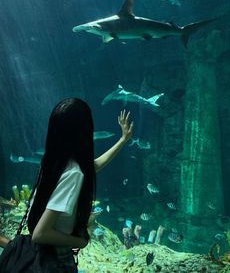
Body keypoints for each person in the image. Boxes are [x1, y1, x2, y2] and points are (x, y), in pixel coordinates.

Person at [0, 98, 133, 272]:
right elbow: (41, 233)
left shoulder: (52, 162)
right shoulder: (74, 173)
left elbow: (93, 166)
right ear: (84, 132)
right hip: (53, 258)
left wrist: (123, 140)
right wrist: (81, 241)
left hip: (37, 253)